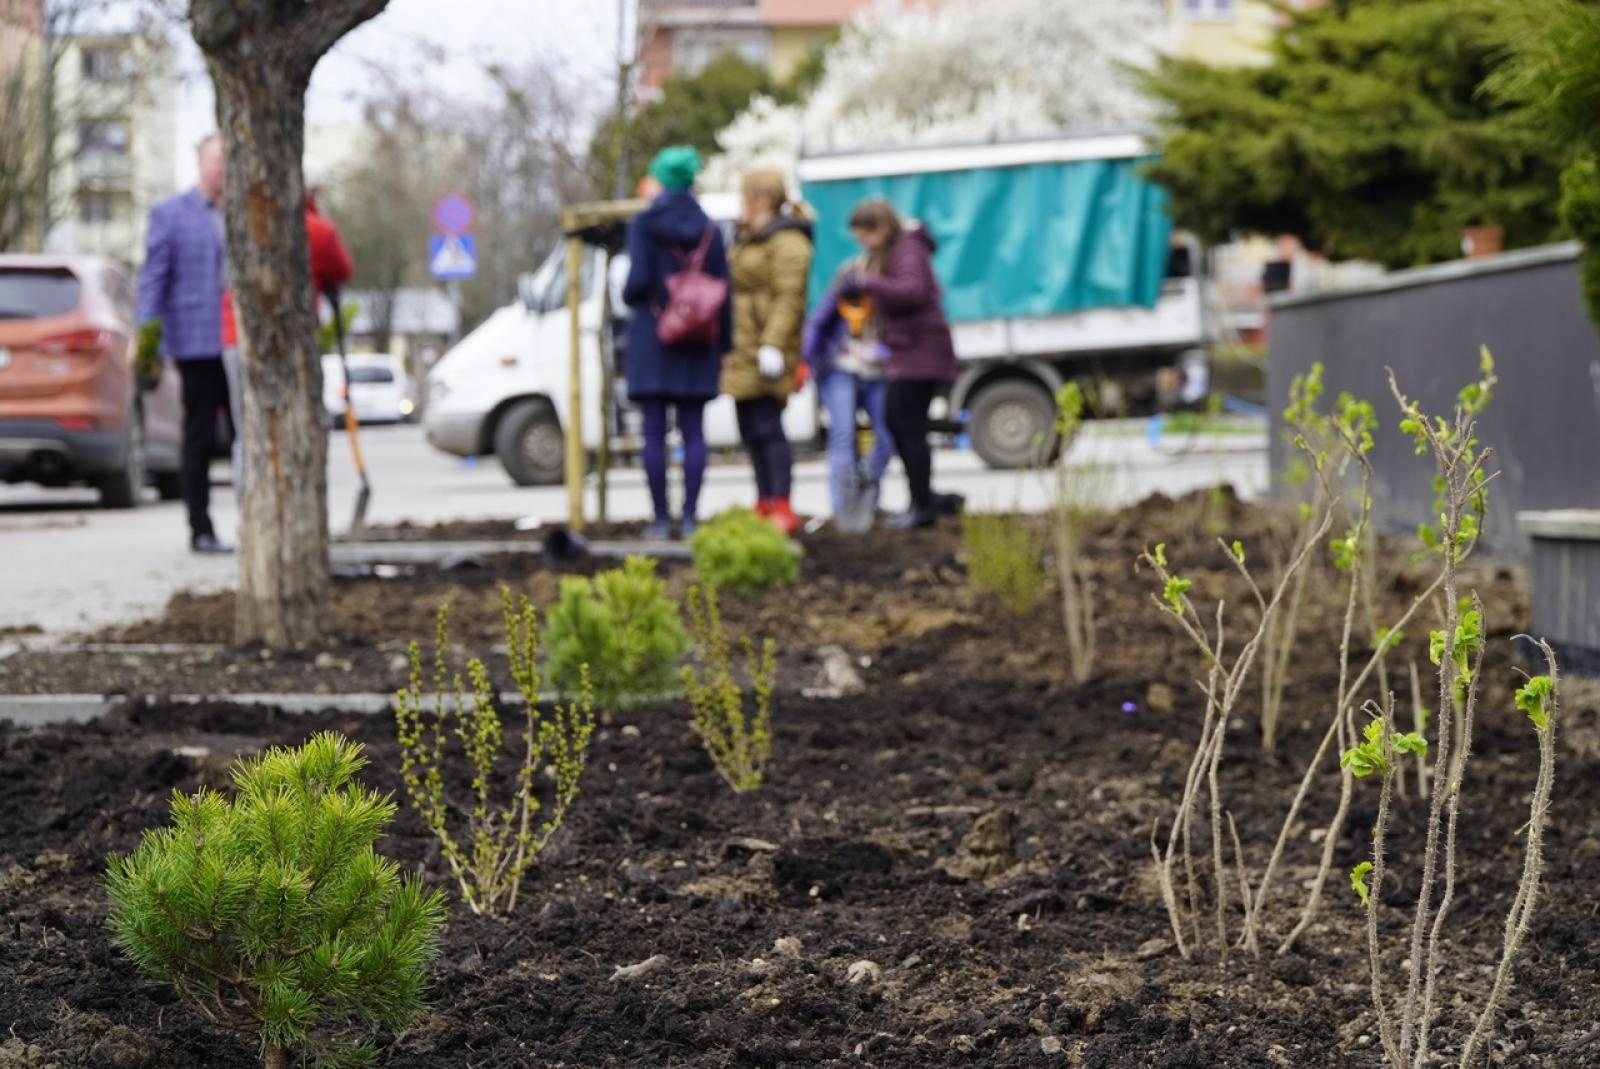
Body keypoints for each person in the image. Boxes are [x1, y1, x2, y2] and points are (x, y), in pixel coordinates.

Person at [621, 146, 731, 540]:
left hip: (653, 341)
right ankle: (689, 518)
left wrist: (632, 296)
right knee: (694, 434)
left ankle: (660, 519)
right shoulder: (710, 228)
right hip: (699, 341)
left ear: (661, 177)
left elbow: (636, 285)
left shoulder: (643, 224)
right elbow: (724, 290)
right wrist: (726, 348)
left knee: (653, 434)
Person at [220, 177, 354, 496]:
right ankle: (290, 497)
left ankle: (249, 502)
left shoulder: (240, 220)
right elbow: (343, 270)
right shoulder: (317, 230)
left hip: (234, 334)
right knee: (293, 423)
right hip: (291, 340)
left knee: (247, 426)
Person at [138, 133, 230, 554]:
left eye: (228, 160)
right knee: (200, 436)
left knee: (247, 434)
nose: (222, 168)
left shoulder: (243, 212)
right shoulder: (171, 214)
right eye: (216, 159)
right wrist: (147, 337)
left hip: (241, 344)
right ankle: (200, 527)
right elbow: (154, 279)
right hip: (197, 341)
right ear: (200, 162)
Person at [841, 198, 958, 529]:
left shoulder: (907, 249)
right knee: (899, 423)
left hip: (923, 352)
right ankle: (924, 499)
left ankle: (922, 506)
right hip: (911, 351)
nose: (863, 244)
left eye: (865, 236)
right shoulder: (899, 250)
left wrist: (867, 282)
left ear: (879, 228)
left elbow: (912, 289)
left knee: (906, 425)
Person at [724, 170, 812, 535]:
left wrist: (773, 344)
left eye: (745, 196)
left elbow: (789, 298)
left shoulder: (787, 241)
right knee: (749, 428)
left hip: (765, 348)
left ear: (761, 199)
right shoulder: (752, 237)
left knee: (767, 427)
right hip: (744, 347)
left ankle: (782, 504)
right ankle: (763, 500)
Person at [804, 249, 895, 529]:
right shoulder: (846, 278)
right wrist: (806, 361)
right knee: (843, 434)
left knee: (887, 434)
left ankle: (868, 487)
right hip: (840, 368)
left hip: (878, 370)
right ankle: (843, 506)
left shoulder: (891, 287)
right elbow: (819, 321)